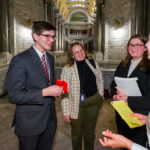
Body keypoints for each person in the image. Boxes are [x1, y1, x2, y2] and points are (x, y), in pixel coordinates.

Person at [7, 21, 63, 150]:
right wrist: (44, 92)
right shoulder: (20, 60)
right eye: (47, 36)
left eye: (53, 36)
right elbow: (14, 95)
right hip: (29, 122)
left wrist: (57, 87)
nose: (52, 40)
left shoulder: (50, 58)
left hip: (50, 119)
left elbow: (46, 81)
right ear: (35, 36)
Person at [61, 42, 104, 150]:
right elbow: (63, 91)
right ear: (72, 55)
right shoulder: (66, 69)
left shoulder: (93, 63)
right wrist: (66, 112)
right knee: (77, 133)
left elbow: (100, 80)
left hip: (93, 102)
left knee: (90, 132)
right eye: (76, 52)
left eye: (81, 50)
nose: (80, 53)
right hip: (76, 104)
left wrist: (100, 96)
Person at [110, 34, 150, 148]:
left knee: (137, 146)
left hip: (140, 117)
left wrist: (128, 99)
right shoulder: (123, 64)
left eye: (138, 45)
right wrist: (114, 96)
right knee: (124, 144)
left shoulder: (149, 67)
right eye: (131, 45)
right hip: (122, 114)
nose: (133, 47)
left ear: (145, 48)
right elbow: (113, 85)